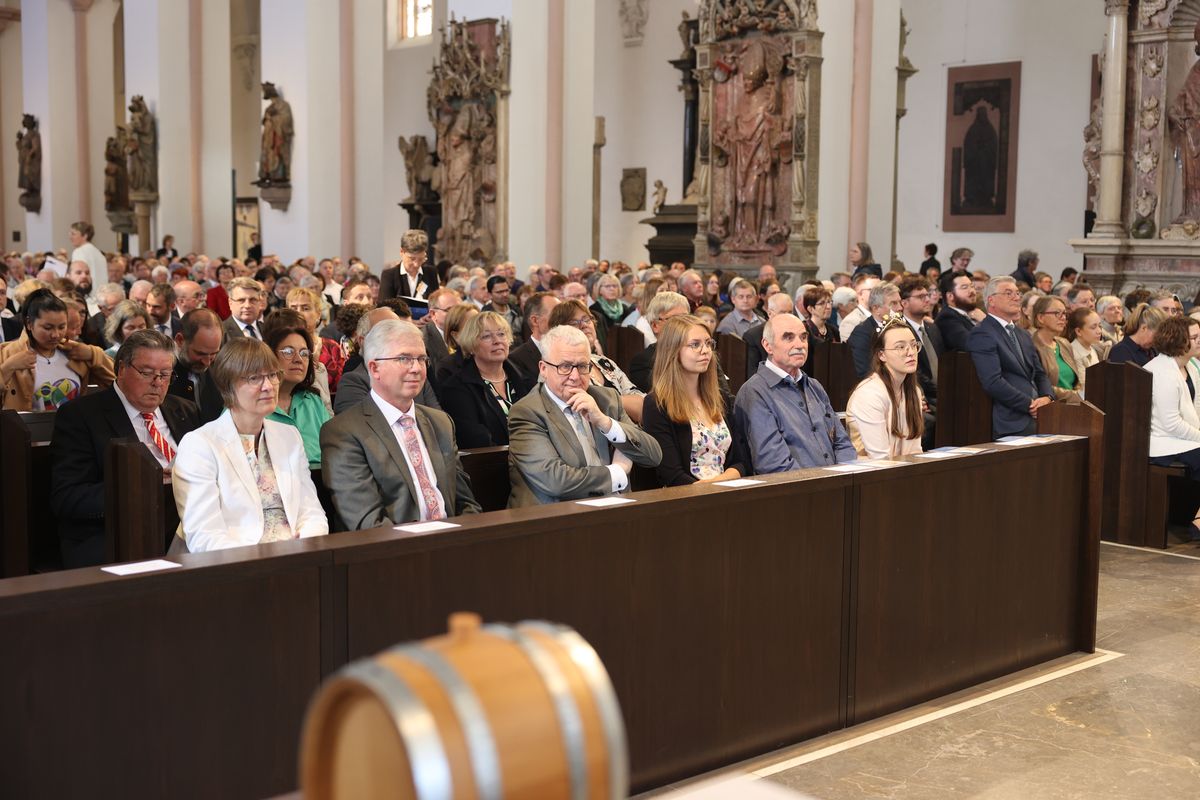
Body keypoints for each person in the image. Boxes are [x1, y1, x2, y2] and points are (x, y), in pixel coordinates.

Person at [49, 330, 200, 567]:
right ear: (121, 369)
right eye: (147, 373)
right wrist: (142, 486)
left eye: (165, 374)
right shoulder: (81, 416)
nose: (158, 383)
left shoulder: (186, 410)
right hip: (115, 534)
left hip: (186, 528)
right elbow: (67, 497)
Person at [172, 337, 329, 552]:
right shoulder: (200, 445)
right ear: (227, 386)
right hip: (236, 563)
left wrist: (305, 546)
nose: (268, 386)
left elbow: (311, 511)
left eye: (272, 375)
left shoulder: (289, 435)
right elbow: (204, 537)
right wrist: (261, 560)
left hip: (297, 555)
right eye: (255, 378)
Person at [320, 320, 479, 528]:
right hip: (395, 545)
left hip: (454, 540)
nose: (417, 368)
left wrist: (468, 536)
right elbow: (367, 522)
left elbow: (466, 502)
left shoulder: (440, 422)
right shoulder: (344, 432)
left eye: (421, 359)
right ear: (374, 368)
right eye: (404, 359)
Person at [506, 324, 661, 506]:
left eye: (581, 366)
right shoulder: (527, 412)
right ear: (543, 368)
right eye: (565, 366)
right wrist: (617, 472)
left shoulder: (606, 399)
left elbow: (653, 455)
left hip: (614, 510)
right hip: (555, 515)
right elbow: (556, 481)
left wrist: (606, 423)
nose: (575, 376)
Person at [734, 312, 856, 472]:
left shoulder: (815, 386)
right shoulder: (754, 392)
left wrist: (845, 477)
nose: (800, 345)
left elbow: (842, 443)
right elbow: (774, 464)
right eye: (788, 338)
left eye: (803, 337)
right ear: (768, 346)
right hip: (797, 486)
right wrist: (826, 483)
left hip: (836, 482)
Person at [641, 315, 746, 486]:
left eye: (708, 343)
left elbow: (740, 462)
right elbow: (672, 475)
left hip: (729, 488)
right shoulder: (656, 404)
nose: (705, 351)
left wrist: (720, 484)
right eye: (695, 345)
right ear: (673, 351)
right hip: (688, 495)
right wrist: (712, 489)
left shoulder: (721, 398)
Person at [967, 277, 1055, 438]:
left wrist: (1047, 398)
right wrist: (1030, 405)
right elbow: (992, 381)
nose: (1016, 297)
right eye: (1008, 293)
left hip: (1042, 413)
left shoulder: (1023, 334)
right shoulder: (983, 333)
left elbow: (1040, 373)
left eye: (1017, 293)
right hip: (1013, 418)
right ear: (991, 300)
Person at [1, 289, 113, 410]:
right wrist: (8, 367)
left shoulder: (75, 352)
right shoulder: (6, 353)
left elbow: (117, 383)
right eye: (47, 328)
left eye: (61, 327)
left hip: (73, 422)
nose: (55, 334)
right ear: (29, 323)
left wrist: (94, 354)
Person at [435, 311, 534, 448]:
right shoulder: (456, 388)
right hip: (492, 459)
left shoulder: (526, 378)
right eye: (486, 336)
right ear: (471, 345)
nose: (497, 341)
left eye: (501, 334)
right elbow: (475, 440)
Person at [548, 299, 645, 422]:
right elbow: (582, 412)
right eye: (573, 323)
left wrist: (608, 401)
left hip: (629, 430)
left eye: (586, 319)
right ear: (559, 331)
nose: (584, 325)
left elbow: (642, 404)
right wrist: (626, 404)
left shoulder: (604, 362)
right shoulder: (560, 369)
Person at [333, 307, 442, 413]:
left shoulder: (416, 375)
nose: (416, 368)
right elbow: (356, 423)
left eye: (421, 359)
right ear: (363, 341)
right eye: (385, 331)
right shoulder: (354, 381)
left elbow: (436, 418)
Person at [845, 317, 925, 459]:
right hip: (869, 470)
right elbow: (880, 458)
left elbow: (915, 452)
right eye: (901, 347)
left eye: (914, 345)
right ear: (881, 355)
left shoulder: (914, 392)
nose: (911, 352)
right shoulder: (869, 394)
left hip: (900, 468)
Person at [263, 310, 330, 469]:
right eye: (288, 352)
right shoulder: (249, 402)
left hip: (321, 480)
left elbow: (335, 450)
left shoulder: (313, 401)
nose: (298, 359)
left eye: (304, 353)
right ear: (270, 355)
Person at [1146, 317, 1200, 487]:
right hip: (1165, 443)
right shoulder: (1163, 373)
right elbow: (1171, 424)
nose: (1199, 341)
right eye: (1194, 337)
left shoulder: (1190, 366)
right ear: (1177, 340)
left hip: (1185, 439)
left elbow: (1196, 408)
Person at [287, 286, 343, 407]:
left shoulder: (332, 347)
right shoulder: (282, 350)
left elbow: (341, 388)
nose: (298, 313)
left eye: (305, 308)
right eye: (293, 308)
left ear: (318, 314)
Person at [629, 291, 691, 392]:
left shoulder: (701, 352)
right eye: (675, 319)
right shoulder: (643, 362)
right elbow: (660, 396)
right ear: (655, 326)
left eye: (686, 317)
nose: (683, 323)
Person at [169, 308, 224, 419]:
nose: (207, 362)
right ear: (180, 340)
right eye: (200, 353)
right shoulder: (162, 373)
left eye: (213, 353)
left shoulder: (218, 369)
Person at [1030, 295, 1082, 403]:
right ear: (1040, 318)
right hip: (1050, 406)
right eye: (1057, 313)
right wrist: (1076, 396)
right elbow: (1039, 385)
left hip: (1073, 404)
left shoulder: (1064, 343)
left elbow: (1075, 382)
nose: (1063, 318)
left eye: (1064, 313)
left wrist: (1080, 394)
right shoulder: (1031, 345)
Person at [848, 284, 902, 379]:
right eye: (893, 303)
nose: (900, 308)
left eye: (899, 302)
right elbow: (865, 372)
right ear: (876, 308)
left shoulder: (901, 328)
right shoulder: (862, 333)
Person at [508, 291, 561, 379]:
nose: (563, 318)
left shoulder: (572, 349)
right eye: (556, 314)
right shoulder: (517, 359)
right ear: (535, 321)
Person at [379, 230, 439, 302]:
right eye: (412, 259)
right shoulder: (389, 276)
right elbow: (384, 305)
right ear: (402, 252)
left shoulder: (431, 273)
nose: (416, 264)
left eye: (420, 259)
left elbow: (436, 303)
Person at [935, 272, 982, 353]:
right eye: (964, 287)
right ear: (950, 296)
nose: (972, 291)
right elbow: (971, 344)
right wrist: (984, 322)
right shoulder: (947, 317)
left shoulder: (972, 314)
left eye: (972, 286)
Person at [1067, 307, 1104, 394]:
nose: (1099, 331)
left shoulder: (1093, 349)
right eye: (1093, 327)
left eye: (1100, 326)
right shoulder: (1073, 352)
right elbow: (1083, 387)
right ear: (1078, 331)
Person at [481, 275, 523, 343]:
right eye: (499, 292)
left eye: (506, 290)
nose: (505, 294)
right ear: (489, 295)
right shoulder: (485, 316)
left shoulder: (517, 311)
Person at [838, 275, 878, 340]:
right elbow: (851, 346)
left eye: (882, 291)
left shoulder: (883, 316)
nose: (881, 294)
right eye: (875, 290)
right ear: (860, 294)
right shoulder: (850, 322)